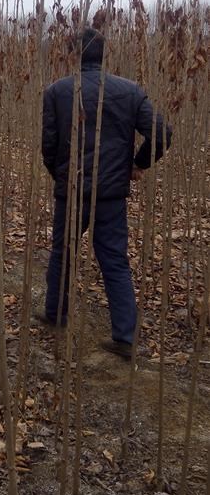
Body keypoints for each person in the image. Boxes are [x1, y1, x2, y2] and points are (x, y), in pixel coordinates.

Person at [41, 28, 171, 358]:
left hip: (72, 192)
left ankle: (56, 314)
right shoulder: (129, 91)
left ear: (74, 55)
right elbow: (161, 133)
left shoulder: (57, 91)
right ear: (103, 55)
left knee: (62, 253)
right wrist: (135, 165)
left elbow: (49, 146)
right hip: (111, 194)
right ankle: (125, 337)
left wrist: (61, 176)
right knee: (114, 261)